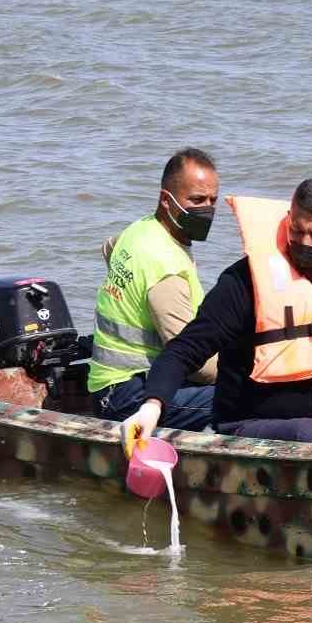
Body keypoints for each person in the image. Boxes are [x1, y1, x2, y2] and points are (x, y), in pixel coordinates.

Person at [120, 177, 312, 447]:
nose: (305, 243)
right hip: (254, 423)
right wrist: (152, 407)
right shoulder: (244, 282)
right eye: (297, 231)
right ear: (288, 220)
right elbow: (184, 350)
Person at [86, 148, 220, 432]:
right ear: (166, 200)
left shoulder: (140, 230)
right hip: (127, 396)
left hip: (107, 382)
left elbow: (108, 249)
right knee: (241, 396)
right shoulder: (165, 269)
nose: (206, 209)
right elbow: (196, 363)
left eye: (212, 200)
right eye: (196, 200)